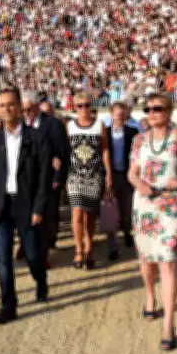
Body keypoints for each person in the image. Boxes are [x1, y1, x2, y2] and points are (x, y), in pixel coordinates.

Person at [128, 93, 177, 351]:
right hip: (144, 204)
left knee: (167, 260)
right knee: (146, 260)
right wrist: (140, 184)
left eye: (158, 108)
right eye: (148, 109)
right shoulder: (138, 140)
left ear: (169, 110)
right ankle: (149, 295)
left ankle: (169, 323)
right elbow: (131, 173)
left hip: (171, 204)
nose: (152, 113)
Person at [0, 88, 51, 324]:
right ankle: (8, 306)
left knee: (32, 256)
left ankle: (41, 281)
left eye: (11, 104)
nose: (7, 109)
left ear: (20, 106)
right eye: (2, 105)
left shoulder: (37, 137)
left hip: (27, 205)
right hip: (2, 205)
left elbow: (44, 176)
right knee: (3, 260)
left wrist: (39, 208)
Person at [20, 91, 70, 262]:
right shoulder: (20, 124)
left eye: (28, 109)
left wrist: (58, 177)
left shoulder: (53, 124)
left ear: (36, 106)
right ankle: (27, 245)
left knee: (48, 215)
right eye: (23, 110)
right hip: (26, 178)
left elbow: (62, 153)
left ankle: (45, 251)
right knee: (26, 212)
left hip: (48, 178)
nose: (25, 113)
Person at [66, 92, 111, 270]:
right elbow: (65, 150)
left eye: (87, 105)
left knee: (89, 214)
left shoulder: (99, 126)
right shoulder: (69, 126)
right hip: (75, 175)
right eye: (80, 105)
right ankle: (78, 249)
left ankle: (89, 245)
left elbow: (105, 150)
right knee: (77, 213)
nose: (84, 109)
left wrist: (108, 173)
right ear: (74, 107)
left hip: (94, 175)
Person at [106, 100, 139, 259]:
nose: (121, 116)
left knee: (126, 209)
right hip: (110, 175)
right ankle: (113, 246)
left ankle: (127, 231)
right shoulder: (104, 132)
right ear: (111, 114)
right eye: (118, 114)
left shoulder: (133, 131)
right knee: (109, 211)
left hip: (127, 175)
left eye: (123, 114)